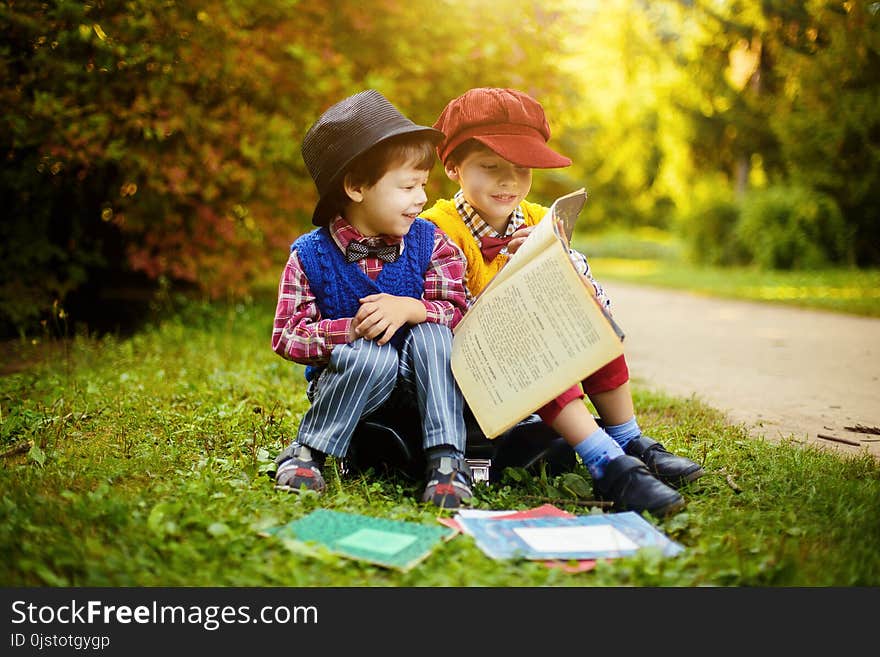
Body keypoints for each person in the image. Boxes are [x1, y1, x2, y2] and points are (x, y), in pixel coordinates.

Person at [421, 87, 704, 516]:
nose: (508, 181)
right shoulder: (436, 230)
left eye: (520, 169)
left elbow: (584, 288)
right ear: (454, 167)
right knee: (533, 340)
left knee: (589, 317)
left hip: (526, 365)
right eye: (490, 166)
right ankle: (605, 462)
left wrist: (558, 267)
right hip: (467, 372)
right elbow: (444, 318)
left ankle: (627, 437)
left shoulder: (538, 220)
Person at [271, 89, 474, 508]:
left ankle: (446, 463)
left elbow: (457, 310)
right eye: (407, 186)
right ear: (356, 186)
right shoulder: (311, 255)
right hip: (357, 388)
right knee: (371, 353)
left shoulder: (429, 241)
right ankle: (309, 452)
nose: (421, 198)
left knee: (433, 335)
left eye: (423, 184)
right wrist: (349, 332)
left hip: (424, 384)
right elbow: (287, 336)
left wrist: (412, 308)